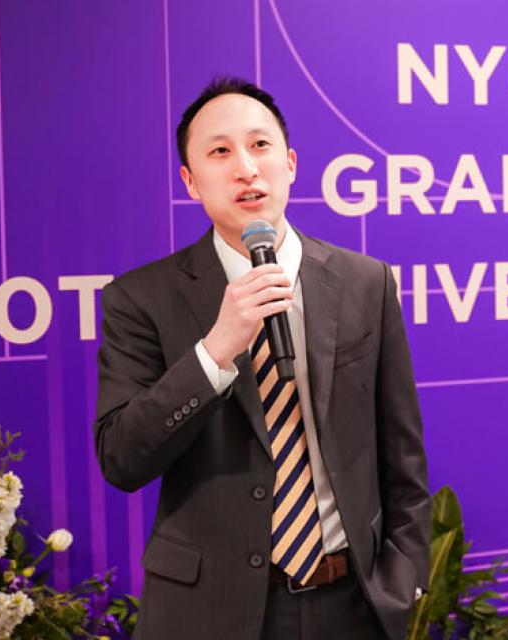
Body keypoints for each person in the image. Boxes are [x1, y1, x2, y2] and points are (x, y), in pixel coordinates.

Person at [93, 77, 430, 640]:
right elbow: (122, 458)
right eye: (220, 152)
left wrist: (406, 575)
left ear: (290, 164)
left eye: (260, 145)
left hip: (350, 602)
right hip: (208, 612)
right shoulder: (140, 298)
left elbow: (403, 450)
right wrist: (216, 349)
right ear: (191, 181)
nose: (246, 168)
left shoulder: (365, 282)